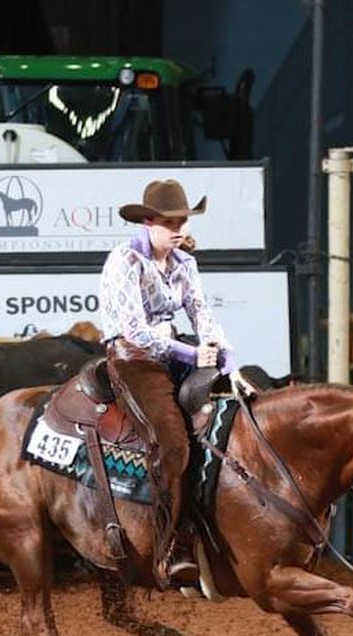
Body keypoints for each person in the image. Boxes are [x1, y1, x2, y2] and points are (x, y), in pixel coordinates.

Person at [99, 179, 232, 589]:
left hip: (172, 351)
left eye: (183, 221)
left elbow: (200, 311)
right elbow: (134, 330)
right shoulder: (125, 260)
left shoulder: (183, 264)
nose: (179, 229)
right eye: (171, 221)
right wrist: (192, 355)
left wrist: (220, 347)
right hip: (134, 359)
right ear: (149, 221)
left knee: (230, 414)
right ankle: (170, 543)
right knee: (172, 441)